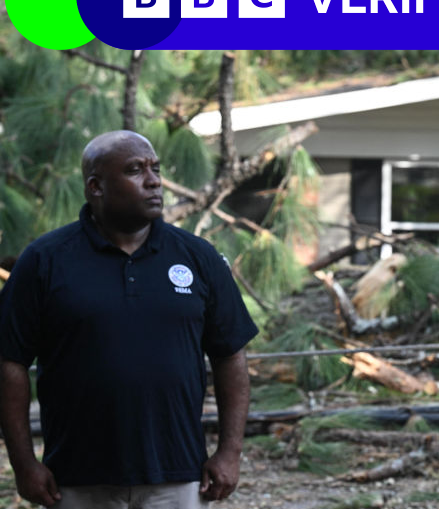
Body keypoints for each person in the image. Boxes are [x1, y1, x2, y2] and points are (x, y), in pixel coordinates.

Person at [0, 131, 258, 508]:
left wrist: (230, 452)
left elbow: (230, 355)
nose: (154, 181)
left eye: (155, 169)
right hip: (75, 477)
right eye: (135, 170)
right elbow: (10, 362)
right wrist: (23, 463)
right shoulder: (45, 260)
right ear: (96, 187)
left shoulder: (197, 257)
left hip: (179, 476)